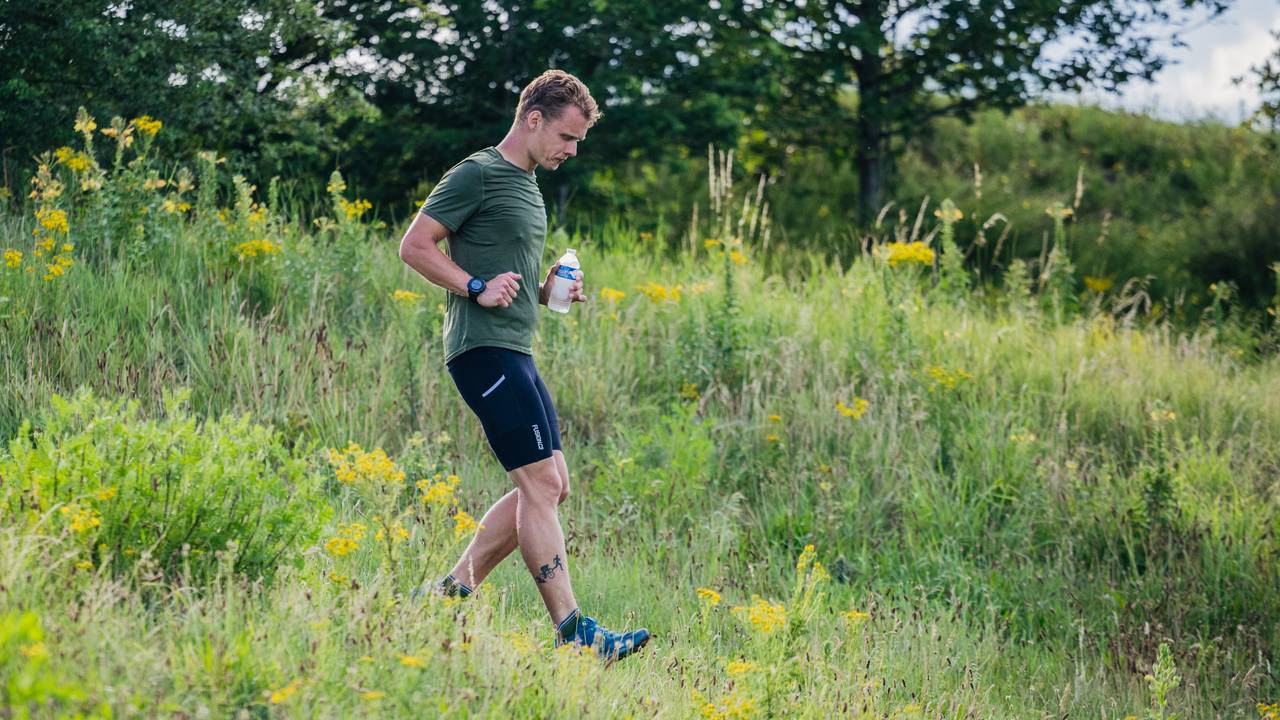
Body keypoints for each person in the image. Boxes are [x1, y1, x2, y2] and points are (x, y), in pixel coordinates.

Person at [397, 69, 649, 662]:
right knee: (538, 484)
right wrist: (473, 284)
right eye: (567, 137)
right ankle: (576, 634)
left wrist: (544, 291)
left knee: (552, 485)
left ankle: (447, 595)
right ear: (533, 118)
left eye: (578, 141)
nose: (572, 150)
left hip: (516, 348)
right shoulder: (477, 173)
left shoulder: (528, 185)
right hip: (481, 351)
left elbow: (506, 273)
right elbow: (415, 245)